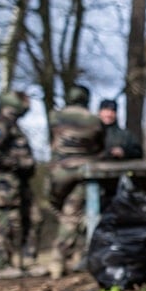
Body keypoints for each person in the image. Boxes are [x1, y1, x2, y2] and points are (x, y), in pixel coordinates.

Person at [0, 90, 46, 279]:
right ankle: (2, 264)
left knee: (34, 218)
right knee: (9, 220)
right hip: (6, 181)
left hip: (20, 181)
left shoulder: (13, 126)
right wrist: (17, 164)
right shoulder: (1, 124)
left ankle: (29, 261)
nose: (26, 105)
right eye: (23, 101)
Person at [47, 84, 105, 279]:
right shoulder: (94, 119)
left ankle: (63, 259)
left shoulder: (55, 115)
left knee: (66, 211)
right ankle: (64, 256)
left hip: (59, 171)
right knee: (73, 214)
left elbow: (53, 138)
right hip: (83, 171)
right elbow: (99, 146)